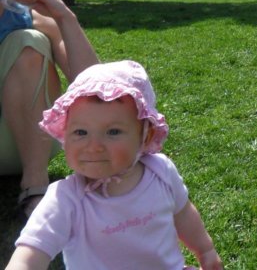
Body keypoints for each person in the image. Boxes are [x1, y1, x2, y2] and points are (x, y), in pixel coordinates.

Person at [7, 60, 223, 270]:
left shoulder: (161, 172)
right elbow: (31, 251)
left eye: (113, 132)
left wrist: (205, 250)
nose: (94, 146)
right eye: (80, 132)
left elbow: (183, 213)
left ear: (145, 137)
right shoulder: (66, 199)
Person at [0, 0, 99, 218]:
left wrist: (63, 16)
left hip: (24, 143)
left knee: (28, 40)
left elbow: (96, 88)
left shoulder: (32, 18)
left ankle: (35, 184)